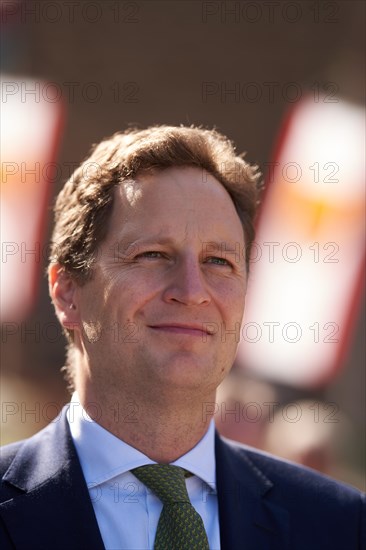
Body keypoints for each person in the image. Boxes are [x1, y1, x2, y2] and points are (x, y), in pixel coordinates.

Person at [0, 125, 364, 550]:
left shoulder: (339, 527)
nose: (192, 291)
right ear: (67, 292)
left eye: (218, 261)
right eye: (153, 255)